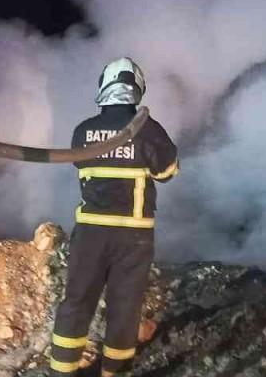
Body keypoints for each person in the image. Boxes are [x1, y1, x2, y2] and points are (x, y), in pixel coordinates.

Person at [49, 57, 179, 376]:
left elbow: (81, 166)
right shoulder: (149, 129)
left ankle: (60, 371)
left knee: (76, 303)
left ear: (104, 86)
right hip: (132, 238)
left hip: (90, 234)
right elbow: (166, 172)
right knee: (124, 309)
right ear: (137, 88)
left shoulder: (83, 131)